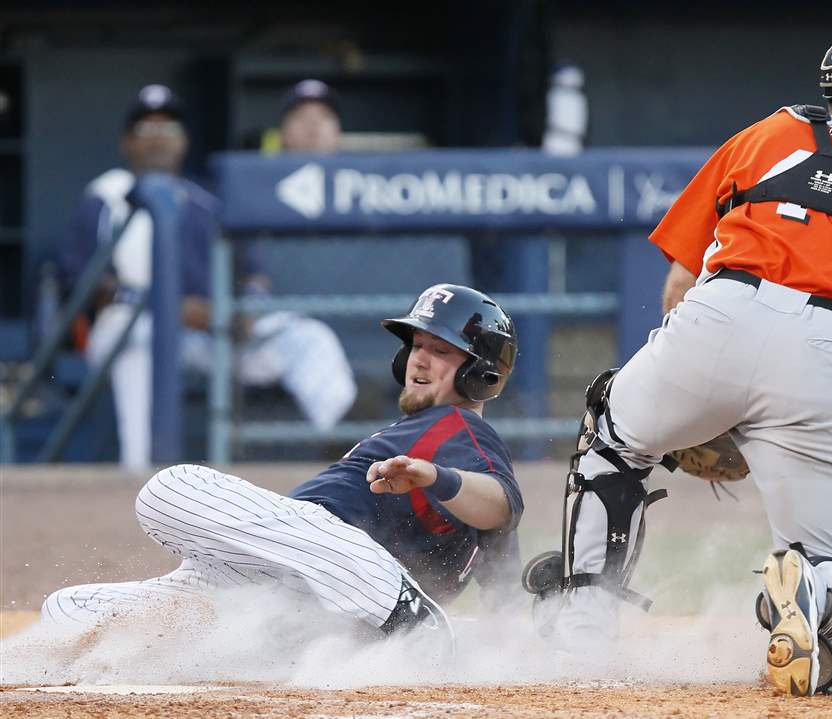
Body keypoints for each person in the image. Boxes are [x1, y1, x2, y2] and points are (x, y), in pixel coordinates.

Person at [523, 23, 832, 696]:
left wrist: (698, 398)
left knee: (612, 437)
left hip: (716, 313)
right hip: (825, 350)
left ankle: (580, 637)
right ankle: (811, 589)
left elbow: (677, 283)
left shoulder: (761, 136)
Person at [40, 284, 521, 653]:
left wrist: (436, 476)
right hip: (284, 586)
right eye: (417, 344)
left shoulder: (458, 426)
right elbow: (506, 598)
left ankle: (407, 615)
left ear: (480, 373)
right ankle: (267, 637)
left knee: (170, 487)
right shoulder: (426, 432)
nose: (419, 358)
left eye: (441, 350)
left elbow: (499, 506)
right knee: (64, 611)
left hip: (340, 571)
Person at [61, 84, 358, 469]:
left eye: (168, 129)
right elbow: (84, 283)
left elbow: (252, 274)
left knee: (309, 338)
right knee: (136, 340)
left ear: (184, 141)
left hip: (207, 334)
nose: (159, 140)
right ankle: (139, 472)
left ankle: (353, 460)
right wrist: (167, 307)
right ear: (126, 142)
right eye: (147, 130)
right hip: (134, 328)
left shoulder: (207, 201)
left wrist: (245, 310)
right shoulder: (104, 197)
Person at [279, 79, 342, 153]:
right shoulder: (266, 163)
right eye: (301, 116)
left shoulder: (356, 164)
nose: (313, 123)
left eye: (323, 116)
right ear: (284, 130)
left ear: (338, 130)